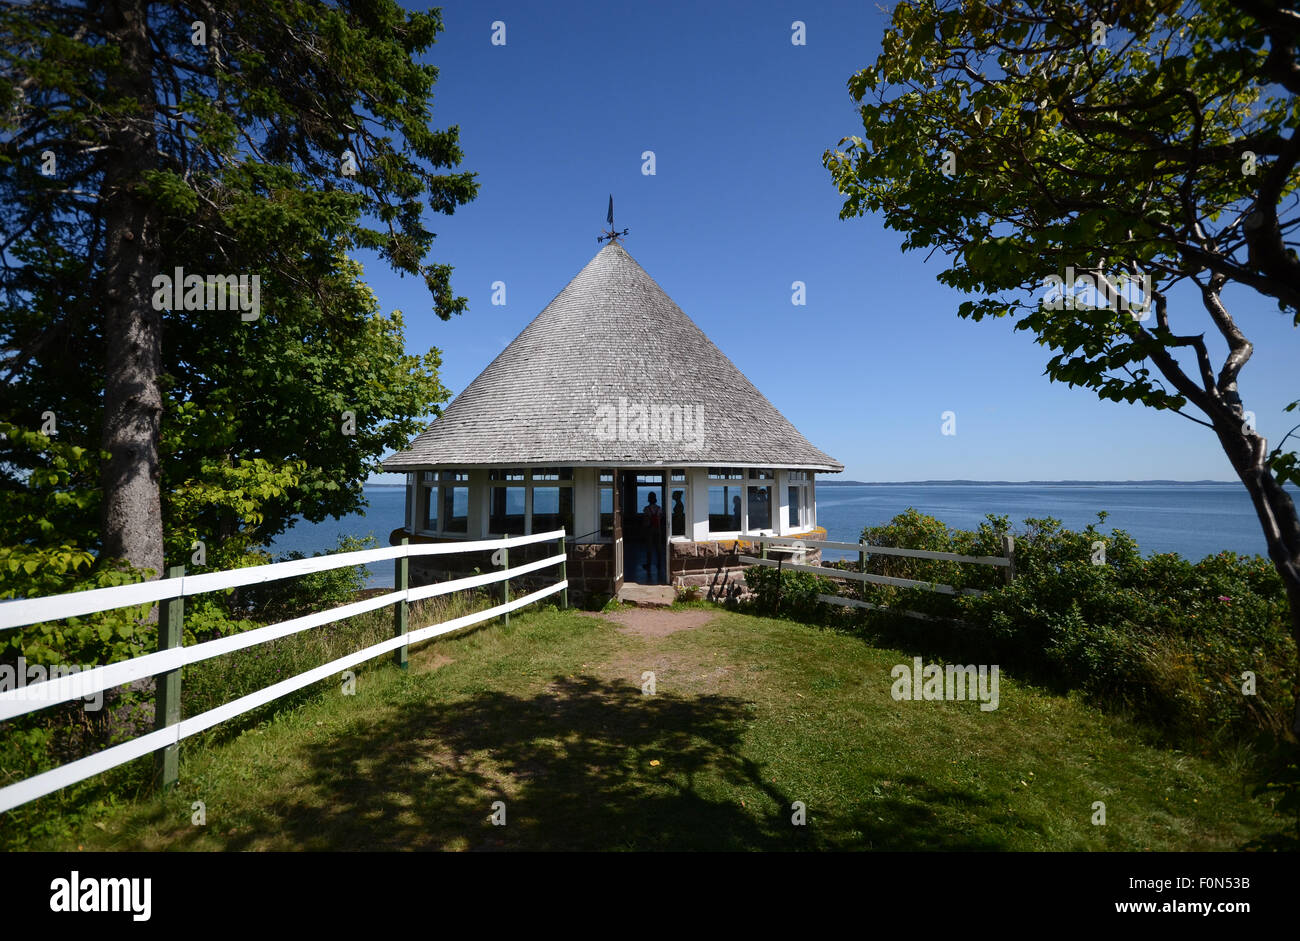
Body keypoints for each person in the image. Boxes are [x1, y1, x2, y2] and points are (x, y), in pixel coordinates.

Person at [643, 491, 665, 581]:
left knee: (649, 547)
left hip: (650, 529)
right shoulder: (659, 508)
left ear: (649, 499)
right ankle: (659, 564)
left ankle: (648, 564)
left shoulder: (646, 509)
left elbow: (645, 520)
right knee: (658, 547)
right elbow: (661, 518)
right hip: (658, 529)